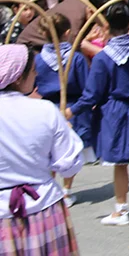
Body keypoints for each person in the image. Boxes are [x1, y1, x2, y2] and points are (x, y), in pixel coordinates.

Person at [67, 3, 129, 225]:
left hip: (115, 112)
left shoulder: (103, 58)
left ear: (106, 28)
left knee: (120, 163)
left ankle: (121, 210)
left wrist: (71, 110)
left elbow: (92, 95)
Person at [0, 44, 83, 254]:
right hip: (43, 210)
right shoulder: (45, 111)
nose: (36, 75)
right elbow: (69, 165)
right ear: (18, 77)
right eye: (33, 70)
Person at [33, 13, 92, 204]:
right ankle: (66, 190)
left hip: (47, 108)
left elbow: (32, 84)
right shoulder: (76, 58)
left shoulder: (38, 60)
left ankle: (49, 186)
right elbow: (87, 87)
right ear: (67, 33)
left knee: (48, 150)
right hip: (72, 109)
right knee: (68, 152)